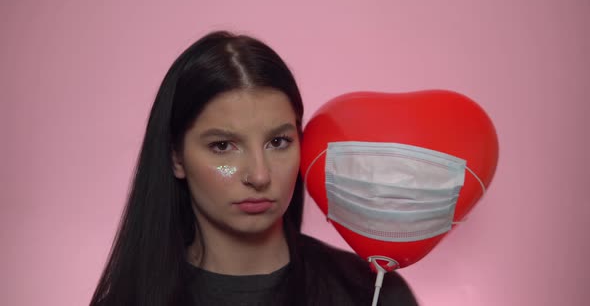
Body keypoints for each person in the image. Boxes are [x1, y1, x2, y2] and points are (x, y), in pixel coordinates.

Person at [90, 31, 418, 306]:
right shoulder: (129, 300)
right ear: (176, 157)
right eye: (222, 146)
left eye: (278, 142)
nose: (259, 176)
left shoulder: (372, 294)